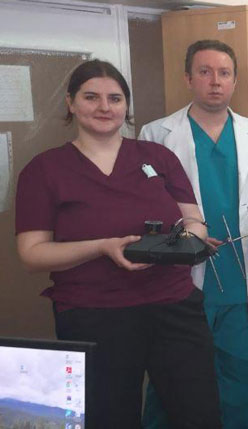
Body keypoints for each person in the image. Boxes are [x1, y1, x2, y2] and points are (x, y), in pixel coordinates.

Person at [14, 59, 221, 428]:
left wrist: (189, 241)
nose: (104, 107)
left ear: (126, 105)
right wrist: (101, 246)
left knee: (199, 415)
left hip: (174, 309)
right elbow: (32, 254)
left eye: (115, 98)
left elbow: (194, 220)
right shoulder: (45, 170)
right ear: (71, 102)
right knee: (109, 418)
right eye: (91, 97)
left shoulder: (158, 157)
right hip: (94, 315)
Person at [139, 39, 248, 428]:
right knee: (170, 388)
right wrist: (184, 237)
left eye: (224, 73)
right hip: (180, 284)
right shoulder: (156, 134)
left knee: (237, 387)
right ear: (188, 78)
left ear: (235, 81)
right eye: (204, 72)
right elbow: (142, 211)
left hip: (239, 281)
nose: (214, 82)